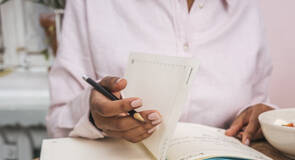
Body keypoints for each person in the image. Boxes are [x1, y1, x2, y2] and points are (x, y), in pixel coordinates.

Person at [47, 0, 275, 146]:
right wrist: (93, 116)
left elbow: (256, 100)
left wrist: (260, 114)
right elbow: (58, 122)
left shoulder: (246, 7)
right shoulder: (90, 4)